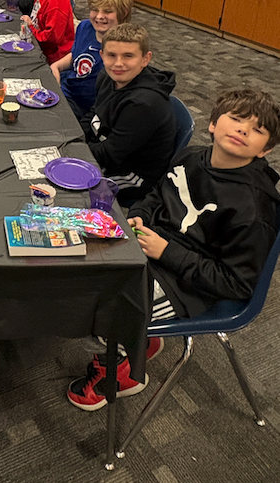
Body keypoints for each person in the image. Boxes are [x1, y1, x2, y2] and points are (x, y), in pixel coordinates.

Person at [68, 87, 280, 411]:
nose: (242, 130)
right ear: (212, 123)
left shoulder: (253, 209)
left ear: (266, 148)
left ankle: (124, 373)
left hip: (187, 285)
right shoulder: (191, 156)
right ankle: (139, 341)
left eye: (256, 129)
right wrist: (139, 214)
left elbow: (236, 283)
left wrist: (167, 252)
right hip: (152, 246)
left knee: (92, 315)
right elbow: (158, 194)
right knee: (72, 268)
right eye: (236, 119)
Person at [81, 23, 176, 205]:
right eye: (111, 55)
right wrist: (73, 140)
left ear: (145, 59)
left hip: (132, 177)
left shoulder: (142, 106)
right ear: (102, 56)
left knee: (73, 188)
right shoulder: (109, 77)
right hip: (109, 153)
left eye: (128, 56)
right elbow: (94, 114)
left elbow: (110, 154)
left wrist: (70, 152)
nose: (118, 63)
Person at [50, 0, 133, 119]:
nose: (99, 16)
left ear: (123, 12)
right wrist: (56, 66)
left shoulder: (124, 48)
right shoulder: (85, 26)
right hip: (67, 89)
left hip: (87, 108)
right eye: (95, 10)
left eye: (107, 11)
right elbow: (76, 55)